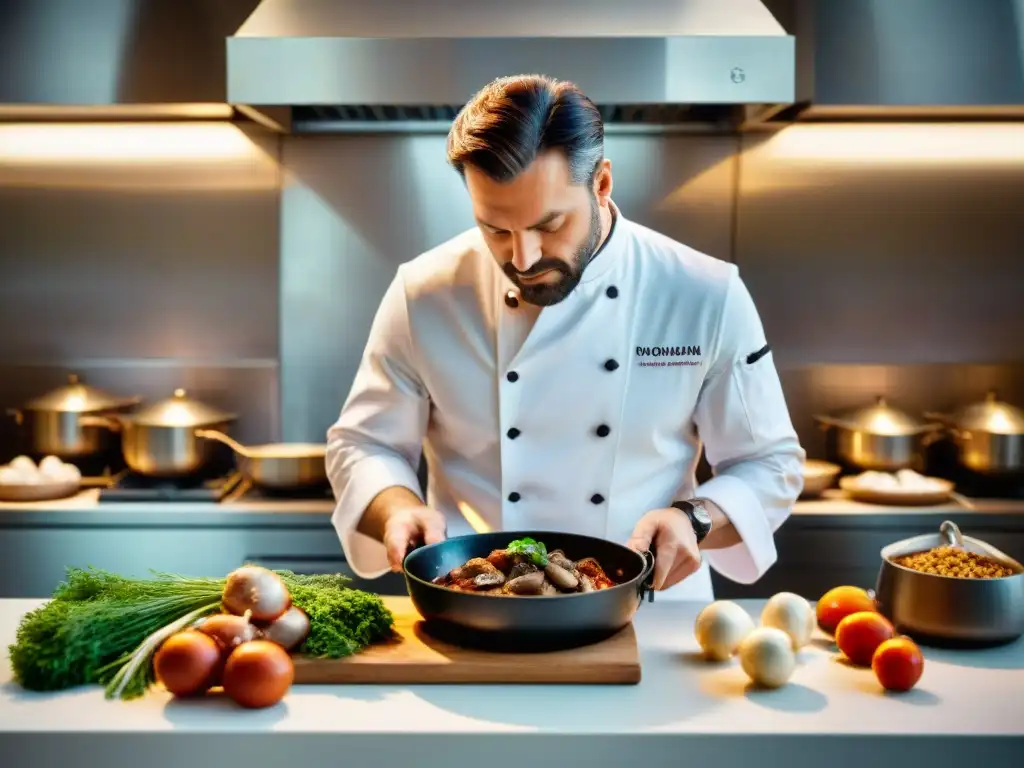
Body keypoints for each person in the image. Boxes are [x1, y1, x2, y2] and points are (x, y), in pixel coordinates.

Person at [326, 73, 805, 600]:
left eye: (549, 225)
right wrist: (397, 508)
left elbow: (769, 464)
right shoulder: (424, 292)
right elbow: (364, 443)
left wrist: (695, 519)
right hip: (473, 603)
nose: (523, 259)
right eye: (496, 230)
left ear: (601, 184)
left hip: (650, 608)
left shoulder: (702, 292)